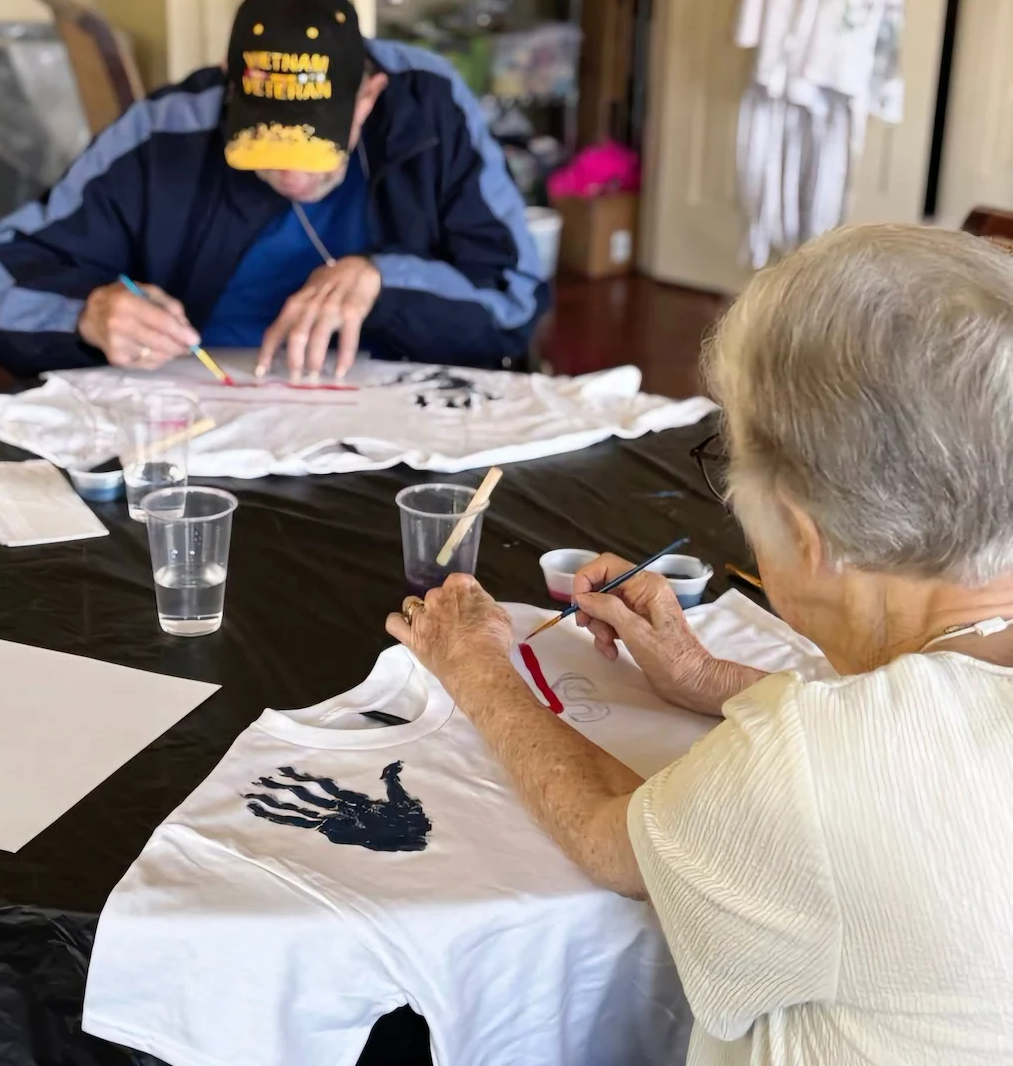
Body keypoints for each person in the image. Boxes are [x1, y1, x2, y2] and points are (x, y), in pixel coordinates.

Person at [387, 224, 1013, 1064]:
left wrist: (477, 668)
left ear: (803, 529)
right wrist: (708, 674)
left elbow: (615, 838)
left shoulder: (825, 762)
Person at [0, 0, 546, 381]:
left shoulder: (430, 109)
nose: (292, 173)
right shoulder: (168, 129)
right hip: (205, 415)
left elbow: (514, 306)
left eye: (316, 148)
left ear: (367, 99)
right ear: (229, 87)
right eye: (265, 146)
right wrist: (85, 313)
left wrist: (383, 280)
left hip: (393, 421)